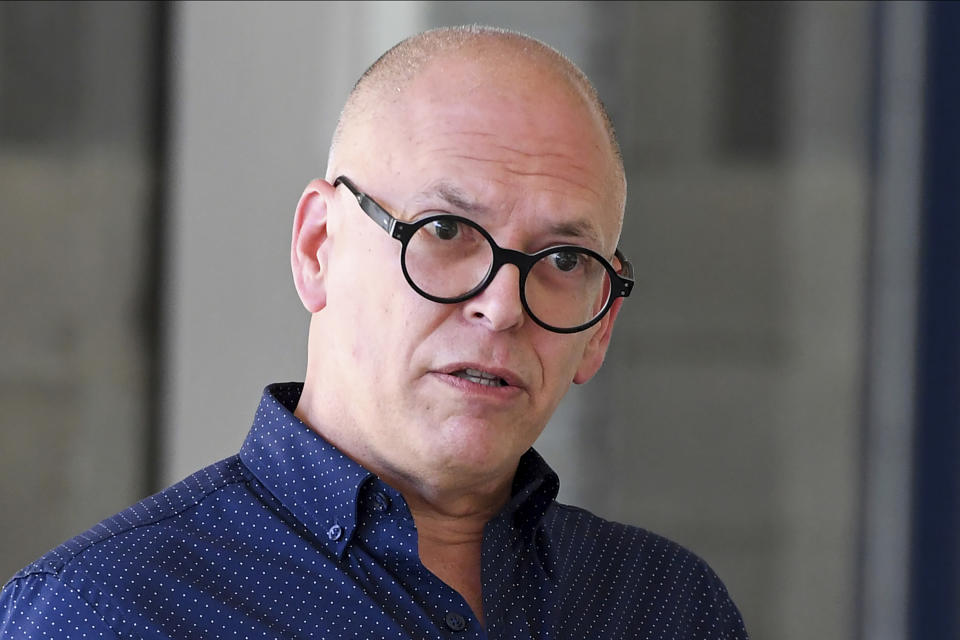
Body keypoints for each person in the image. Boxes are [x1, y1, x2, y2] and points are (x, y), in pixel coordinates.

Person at [0, 26, 748, 639]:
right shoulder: (103, 614)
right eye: (447, 229)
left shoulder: (667, 607)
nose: (503, 307)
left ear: (601, 327)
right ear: (318, 247)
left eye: (562, 259)